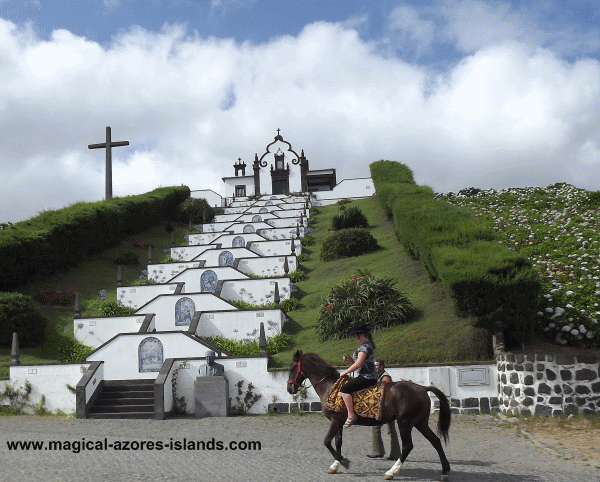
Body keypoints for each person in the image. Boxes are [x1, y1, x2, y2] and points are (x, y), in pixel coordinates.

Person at [339, 321, 377, 428]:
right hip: (368, 376)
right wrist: (350, 360)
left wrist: (345, 372)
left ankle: (351, 415)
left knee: (345, 389)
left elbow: (359, 363)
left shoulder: (364, 346)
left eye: (355, 336)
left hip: (367, 377)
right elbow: (359, 363)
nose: (355, 338)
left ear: (360, 335)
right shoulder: (366, 345)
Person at [367, 359, 400, 459]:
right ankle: (391, 453)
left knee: (385, 429)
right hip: (384, 408)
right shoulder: (379, 376)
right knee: (388, 430)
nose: (374, 367)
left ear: (381, 366)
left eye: (376, 366)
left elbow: (384, 392)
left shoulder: (386, 378)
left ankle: (381, 452)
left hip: (387, 409)